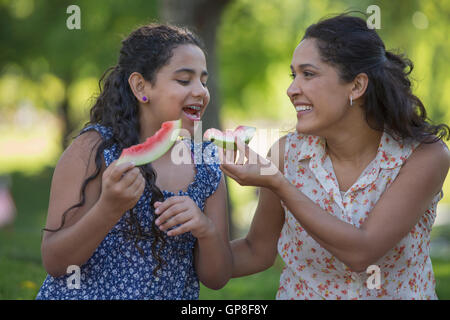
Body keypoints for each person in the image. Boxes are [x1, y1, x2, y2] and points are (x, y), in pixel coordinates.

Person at [220, 14, 450, 300]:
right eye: (294, 75)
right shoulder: (285, 155)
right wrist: (186, 247)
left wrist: (279, 185)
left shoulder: (424, 156)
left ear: (356, 86)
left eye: (309, 74)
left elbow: (362, 252)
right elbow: (257, 251)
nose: (292, 89)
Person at [36, 23, 232, 300]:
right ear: (141, 86)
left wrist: (206, 230)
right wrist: (108, 209)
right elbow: (55, 262)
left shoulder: (207, 164)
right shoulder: (94, 149)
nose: (201, 91)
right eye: (184, 80)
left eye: (203, 80)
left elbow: (217, 278)